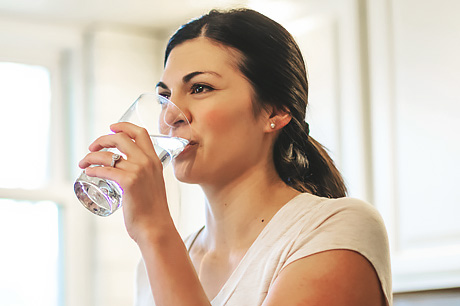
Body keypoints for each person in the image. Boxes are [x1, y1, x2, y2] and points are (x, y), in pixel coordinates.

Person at [79, 8, 392, 306]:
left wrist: (154, 229)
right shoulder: (153, 265)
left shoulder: (334, 228)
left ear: (276, 110)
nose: (171, 115)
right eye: (164, 97)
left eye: (200, 88)